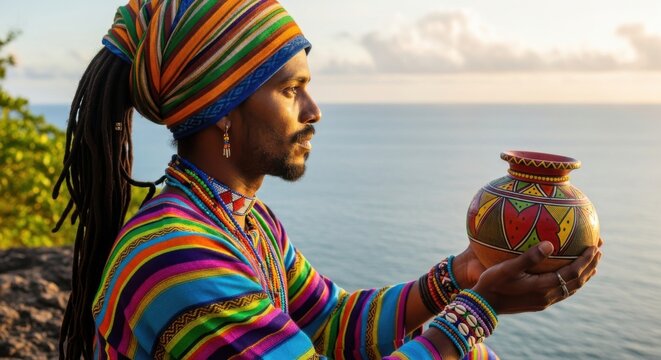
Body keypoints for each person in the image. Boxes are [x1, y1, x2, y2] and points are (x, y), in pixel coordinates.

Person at [53, 1, 601, 359]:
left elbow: (332, 324)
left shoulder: (247, 222)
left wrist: (462, 274)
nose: (314, 111)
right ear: (223, 108)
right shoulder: (177, 259)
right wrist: (478, 310)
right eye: (292, 90)